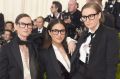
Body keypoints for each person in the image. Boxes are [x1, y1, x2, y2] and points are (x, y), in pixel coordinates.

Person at [71, 3, 119, 79]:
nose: (87, 20)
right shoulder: (84, 33)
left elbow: (111, 65)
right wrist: (71, 41)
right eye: (84, 17)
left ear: (99, 15)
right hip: (78, 73)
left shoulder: (110, 34)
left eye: (91, 16)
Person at [0, 13, 40, 79]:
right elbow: (2, 75)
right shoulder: (6, 48)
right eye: (23, 24)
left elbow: (38, 71)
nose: (26, 27)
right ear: (16, 26)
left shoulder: (34, 46)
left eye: (29, 24)